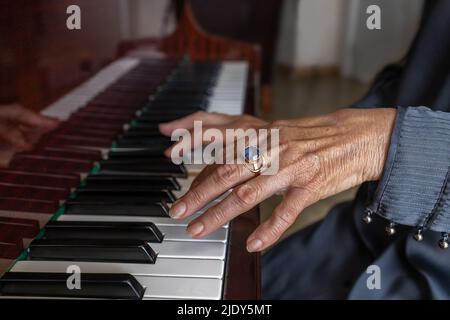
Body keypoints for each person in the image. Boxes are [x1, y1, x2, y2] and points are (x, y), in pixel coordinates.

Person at [159, 0, 450, 299]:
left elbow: (385, 136)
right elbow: (417, 74)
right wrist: (309, 139)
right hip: (354, 238)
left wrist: (384, 143)